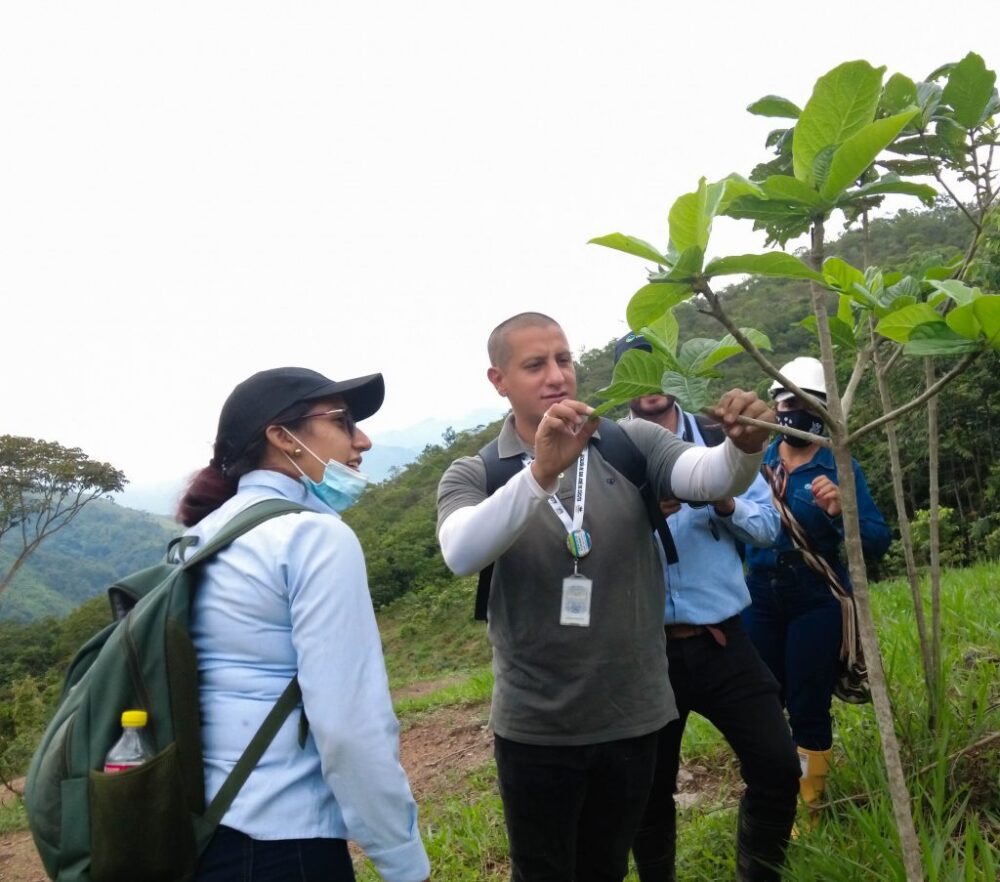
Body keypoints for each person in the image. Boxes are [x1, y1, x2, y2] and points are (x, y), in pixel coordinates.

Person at [435, 313, 775, 882]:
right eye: (534, 364)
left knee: (607, 867)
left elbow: (708, 476)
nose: (555, 376)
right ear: (498, 380)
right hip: (537, 726)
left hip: (632, 716)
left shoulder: (630, 442)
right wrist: (541, 472)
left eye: (563, 360)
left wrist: (743, 449)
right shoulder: (478, 473)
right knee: (542, 871)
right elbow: (462, 551)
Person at [176, 367, 430, 882]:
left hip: (199, 834)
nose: (362, 439)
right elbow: (349, 727)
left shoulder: (196, 539)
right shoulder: (312, 539)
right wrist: (403, 861)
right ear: (283, 437)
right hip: (283, 841)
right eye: (343, 421)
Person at [613, 334, 800, 882]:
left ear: (673, 374)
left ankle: (759, 873)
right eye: (637, 373)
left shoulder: (726, 439)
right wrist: (644, 516)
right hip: (645, 654)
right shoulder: (608, 452)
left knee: (777, 765)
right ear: (626, 383)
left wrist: (723, 497)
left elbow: (769, 529)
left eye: (658, 370)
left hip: (724, 642)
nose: (651, 384)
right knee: (648, 792)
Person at [742, 356, 891, 822]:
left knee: (808, 702)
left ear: (822, 408)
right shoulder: (757, 462)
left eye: (804, 401)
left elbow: (876, 540)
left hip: (815, 594)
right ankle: (770, 794)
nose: (793, 410)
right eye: (785, 400)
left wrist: (839, 510)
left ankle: (809, 804)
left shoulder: (839, 465)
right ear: (774, 405)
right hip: (760, 594)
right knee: (764, 700)